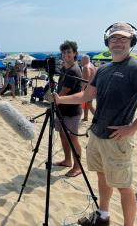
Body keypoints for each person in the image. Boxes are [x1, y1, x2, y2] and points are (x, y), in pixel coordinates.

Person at [52, 23, 137, 226]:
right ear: (107, 42)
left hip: (117, 140)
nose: (118, 42)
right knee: (102, 178)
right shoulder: (103, 69)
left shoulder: (135, 68)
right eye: (114, 38)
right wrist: (60, 100)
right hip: (97, 135)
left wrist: (132, 128)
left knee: (124, 186)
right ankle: (103, 216)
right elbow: (86, 95)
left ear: (132, 42)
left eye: (123, 38)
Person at [53, 41, 83, 177]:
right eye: (64, 52)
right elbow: (60, 89)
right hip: (62, 110)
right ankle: (67, 160)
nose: (66, 55)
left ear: (75, 53)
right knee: (63, 136)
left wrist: (53, 103)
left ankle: (78, 167)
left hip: (72, 111)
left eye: (69, 52)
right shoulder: (65, 69)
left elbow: (64, 92)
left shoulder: (73, 70)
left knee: (72, 139)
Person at [81, 55, 96, 121]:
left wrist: (82, 89)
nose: (81, 61)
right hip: (94, 87)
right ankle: (85, 117)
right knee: (87, 103)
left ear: (84, 60)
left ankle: (98, 118)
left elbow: (85, 80)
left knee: (89, 104)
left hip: (88, 88)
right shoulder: (92, 65)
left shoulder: (85, 67)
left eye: (82, 60)